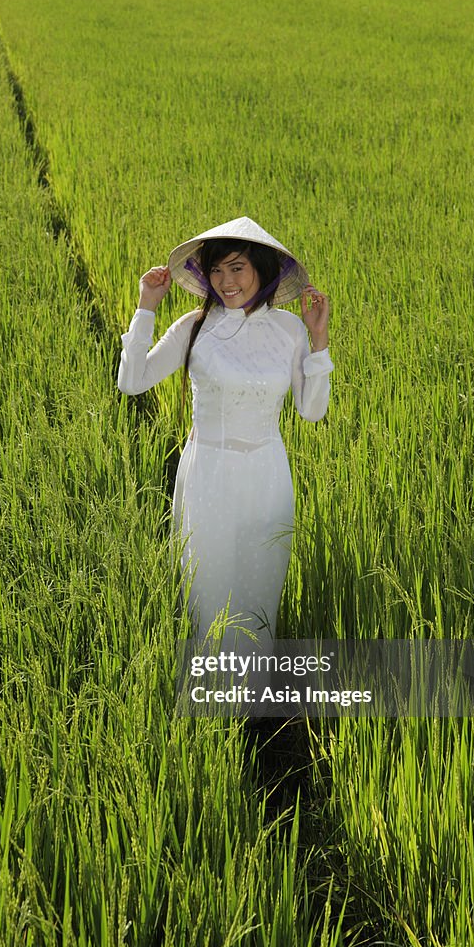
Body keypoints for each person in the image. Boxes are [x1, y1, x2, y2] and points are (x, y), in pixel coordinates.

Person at [117, 216, 334, 659]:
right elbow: (132, 381)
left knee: (259, 591)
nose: (225, 280)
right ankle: (210, 704)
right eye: (216, 270)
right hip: (209, 476)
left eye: (237, 268)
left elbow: (311, 412)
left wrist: (318, 338)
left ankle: (252, 703)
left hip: (268, 477)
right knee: (207, 590)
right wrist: (146, 308)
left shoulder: (291, 330)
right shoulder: (196, 327)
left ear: (261, 269)